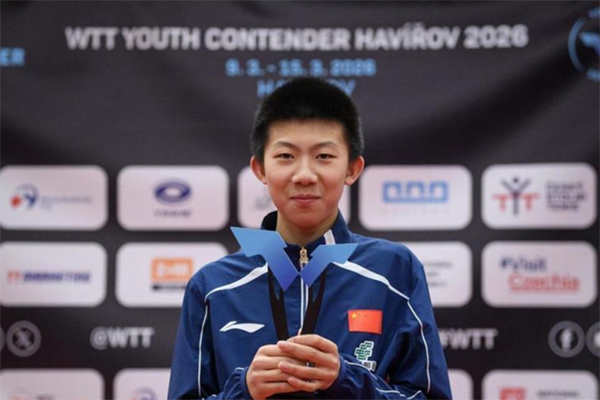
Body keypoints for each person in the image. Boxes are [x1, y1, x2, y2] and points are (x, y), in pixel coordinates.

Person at [168, 77, 452, 399]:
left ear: (352, 169)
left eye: (324, 156)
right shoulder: (213, 286)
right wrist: (244, 391)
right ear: (260, 169)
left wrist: (347, 380)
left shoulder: (395, 270)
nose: (304, 175)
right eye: (286, 156)